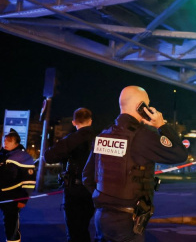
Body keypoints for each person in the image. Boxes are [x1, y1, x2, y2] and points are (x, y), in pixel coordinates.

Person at [82, 85, 188, 242]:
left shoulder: (104, 134)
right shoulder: (142, 137)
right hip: (128, 220)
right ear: (141, 107)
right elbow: (180, 154)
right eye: (147, 104)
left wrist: (106, 200)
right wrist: (161, 125)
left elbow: (87, 176)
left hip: (101, 216)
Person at [45, 108, 96, 242]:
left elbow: (49, 156)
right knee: (90, 228)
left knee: (75, 231)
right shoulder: (101, 138)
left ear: (74, 122)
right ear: (90, 121)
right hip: (97, 190)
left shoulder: (72, 139)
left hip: (75, 192)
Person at [0, 129, 36, 242]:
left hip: (13, 196)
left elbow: (29, 182)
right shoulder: (2, 155)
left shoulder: (24, 157)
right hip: (1, 194)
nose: (5, 143)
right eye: (4, 141)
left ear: (16, 143)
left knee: (11, 223)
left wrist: (23, 199)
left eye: (9, 141)